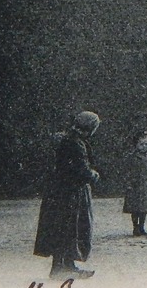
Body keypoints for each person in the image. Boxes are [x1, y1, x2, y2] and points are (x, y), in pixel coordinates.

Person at [33, 110, 101, 279]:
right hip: (73, 193)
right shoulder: (76, 143)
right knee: (72, 227)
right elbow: (81, 169)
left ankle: (64, 266)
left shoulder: (66, 139)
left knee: (63, 228)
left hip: (58, 191)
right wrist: (93, 175)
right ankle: (62, 267)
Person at [123, 130, 147, 236]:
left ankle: (141, 226)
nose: (144, 146)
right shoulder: (132, 157)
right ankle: (135, 226)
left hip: (146, 186)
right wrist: (128, 184)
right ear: (136, 145)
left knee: (144, 208)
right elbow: (127, 171)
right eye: (141, 144)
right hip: (135, 185)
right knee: (135, 208)